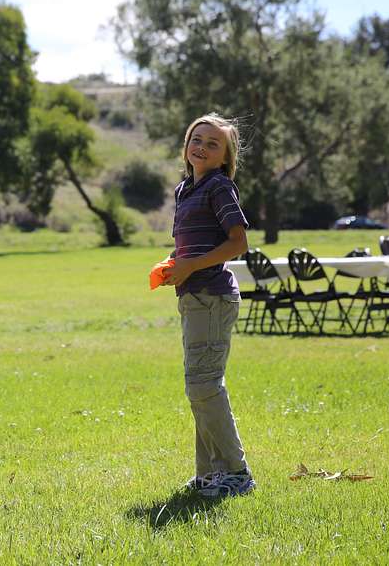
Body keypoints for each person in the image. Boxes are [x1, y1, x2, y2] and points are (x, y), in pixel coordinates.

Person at [161, 113, 255, 498]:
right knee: (197, 387)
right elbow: (193, 245)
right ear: (186, 145)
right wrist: (174, 263)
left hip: (214, 297)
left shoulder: (220, 187)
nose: (201, 146)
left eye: (212, 143)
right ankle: (209, 475)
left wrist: (190, 266)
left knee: (204, 385)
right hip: (193, 298)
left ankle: (237, 472)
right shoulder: (186, 189)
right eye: (196, 139)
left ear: (225, 156)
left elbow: (238, 244)